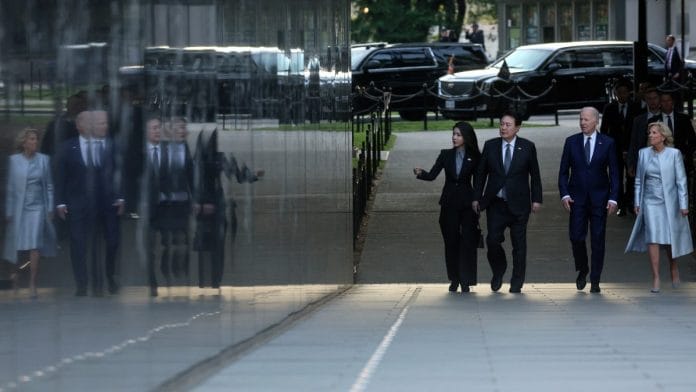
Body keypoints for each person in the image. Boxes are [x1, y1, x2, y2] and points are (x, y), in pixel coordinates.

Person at [55, 110, 124, 297]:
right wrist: (60, 202)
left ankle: (109, 277)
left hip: (106, 202)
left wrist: (121, 197)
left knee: (112, 241)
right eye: (90, 122)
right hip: (78, 203)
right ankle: (82, 283)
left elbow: (119, 172)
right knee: (78, 243)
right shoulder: (67, 148)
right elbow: (61, 176)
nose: (100, 126)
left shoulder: (110, 146)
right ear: (79, 126)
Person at [472, 111, 542, 293]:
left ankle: (517, 282)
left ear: (517, 127)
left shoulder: (527, 147)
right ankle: (498, 270)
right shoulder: (490, 146)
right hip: (496, 203)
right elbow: (480, 174)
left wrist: (536, 199)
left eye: (508, 125)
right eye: (501, 124)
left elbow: (535, 175)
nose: (503, 128)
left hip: (519, 205)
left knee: (519, 246)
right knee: (492, 240)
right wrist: (476, 197)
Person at [625, 122, 693, 293]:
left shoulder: (674, 154)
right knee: (653, 238)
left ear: (663, 136)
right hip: (650, 201)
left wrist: (684, 205)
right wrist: (637, 203)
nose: (650, 135)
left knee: (670, 238)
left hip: (669, 202)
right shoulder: (643, 153)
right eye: (649, 132)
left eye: (654, 133)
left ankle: (673, 266)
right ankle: (655, 276)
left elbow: (681, 181)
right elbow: (639, 180)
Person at [414, 122, 481, 293]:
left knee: (467, 242)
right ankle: (455, 279)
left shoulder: (475, 156)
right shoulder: (445, 155)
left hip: (468, 205)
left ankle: (466, 280)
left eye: (458, 134)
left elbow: (479, 181)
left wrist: (477, 200)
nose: (454, 137)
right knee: (451, 242)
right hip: (449, 203)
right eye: (453, 134)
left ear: (466, 137)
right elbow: (432, 175)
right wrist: (421, 173)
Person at [558, 107, 620, 294]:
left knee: (598, 239)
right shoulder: (571, 142)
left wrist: (614, 198)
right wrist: (565, 194)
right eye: (580, 119)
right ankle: (583, 268)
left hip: (600, 199)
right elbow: (563, 172)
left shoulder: (607, 143)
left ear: (596, 121)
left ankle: (595, 279)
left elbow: (615, 173)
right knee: (576, 237)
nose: (582, 123)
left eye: (586, 119)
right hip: (576, 199)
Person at [3, 128, 56, 298]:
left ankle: (33, 283)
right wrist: (9, 210)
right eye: (31, 139)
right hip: (19, 207)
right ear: (24, 142)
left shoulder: (43, 160)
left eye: (35, 139)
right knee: (16, 245)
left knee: (34, 245)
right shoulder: (14, 161)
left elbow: (48, 185)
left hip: (37, 207)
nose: (34, 142)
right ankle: (16, 276)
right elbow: (11, 188)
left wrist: (49, 208)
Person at [600, 79, 639, 216]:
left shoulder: (635, 107)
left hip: (631, 148)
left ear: (629, 93)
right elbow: (604, 129)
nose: (622, 95)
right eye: (619, 92)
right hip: (615, 148)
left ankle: (630, 202)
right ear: (615, 93)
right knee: (616, 177)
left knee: (631, 177)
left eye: (624, 92)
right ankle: (620, 204)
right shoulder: (609, 108)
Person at [649, 92, 696, 175]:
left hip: (682, 160)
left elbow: (692, 140)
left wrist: (685, 154)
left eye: (668, 100)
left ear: (673, 102)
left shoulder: (684, 119)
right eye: (663, 101)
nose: (666, 103)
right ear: (660, 103)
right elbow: (650, 142)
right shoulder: (653, 121)